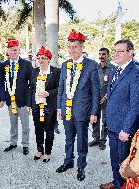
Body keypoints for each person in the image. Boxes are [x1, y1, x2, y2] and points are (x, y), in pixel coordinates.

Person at [100, 40, 139, 189]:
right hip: (112, 124)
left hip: (124, 128)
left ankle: (125, 185)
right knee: (114, 158)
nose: (115, 54)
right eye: (114, 51)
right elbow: (112, 96)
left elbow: (136, 105)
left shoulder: (137, 73)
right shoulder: (114, 70)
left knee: (124, 161)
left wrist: (126, 129)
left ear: (130, 52)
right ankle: (117, 182)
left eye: (120, 51)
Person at [56, 29, 100, 181]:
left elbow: (96, 92)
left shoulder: (92, 65)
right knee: (68, 139)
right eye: (69, 47)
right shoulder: (64, 65)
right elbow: (61, 87)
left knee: (81, 140)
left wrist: (94, 112)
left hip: (82, 110)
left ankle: (81, 166)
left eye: (75, 46)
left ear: (82, 48)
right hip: (66, 109)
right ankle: (68, 161)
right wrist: (59, 108)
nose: (72, 50)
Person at [2, 38, 33, 155]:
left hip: (23, 100)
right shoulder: (4, 65)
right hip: (11, 101)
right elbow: (1, 82)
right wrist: (3, 98)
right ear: (8, 52)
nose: (13, 52)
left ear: (19, 51)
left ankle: (25, 144)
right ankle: (13, 142)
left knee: (25, 125)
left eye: (15, 50)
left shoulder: (26, 64)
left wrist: (30, 102)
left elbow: (32, 84)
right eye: (11, 50)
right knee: (13, 123)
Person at [30, 46, 60, 162]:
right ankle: (39, 149)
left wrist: (49, 93)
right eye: (39, 58)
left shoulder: (56, 72)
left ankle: (47, 152)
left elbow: (59, 88)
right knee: (38, 128)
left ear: (49, 59)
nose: (41, 60)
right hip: (37, 105)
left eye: (44, 58)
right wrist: (29, 104)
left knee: (49, 129)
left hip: (49, 106)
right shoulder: (35, 71)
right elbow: (31, 89)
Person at [89, 48, 115, 150]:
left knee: (105, 120)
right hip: (95, 98)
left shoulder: (113, 69)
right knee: (95, 118)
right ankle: (96, 138)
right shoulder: (95, 68)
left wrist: (105, 97)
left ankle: (103, 141)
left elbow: (113, 85)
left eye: (104, 54)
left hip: (107, 99)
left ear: (108, 56)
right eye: (100, 54)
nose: (101, 56)